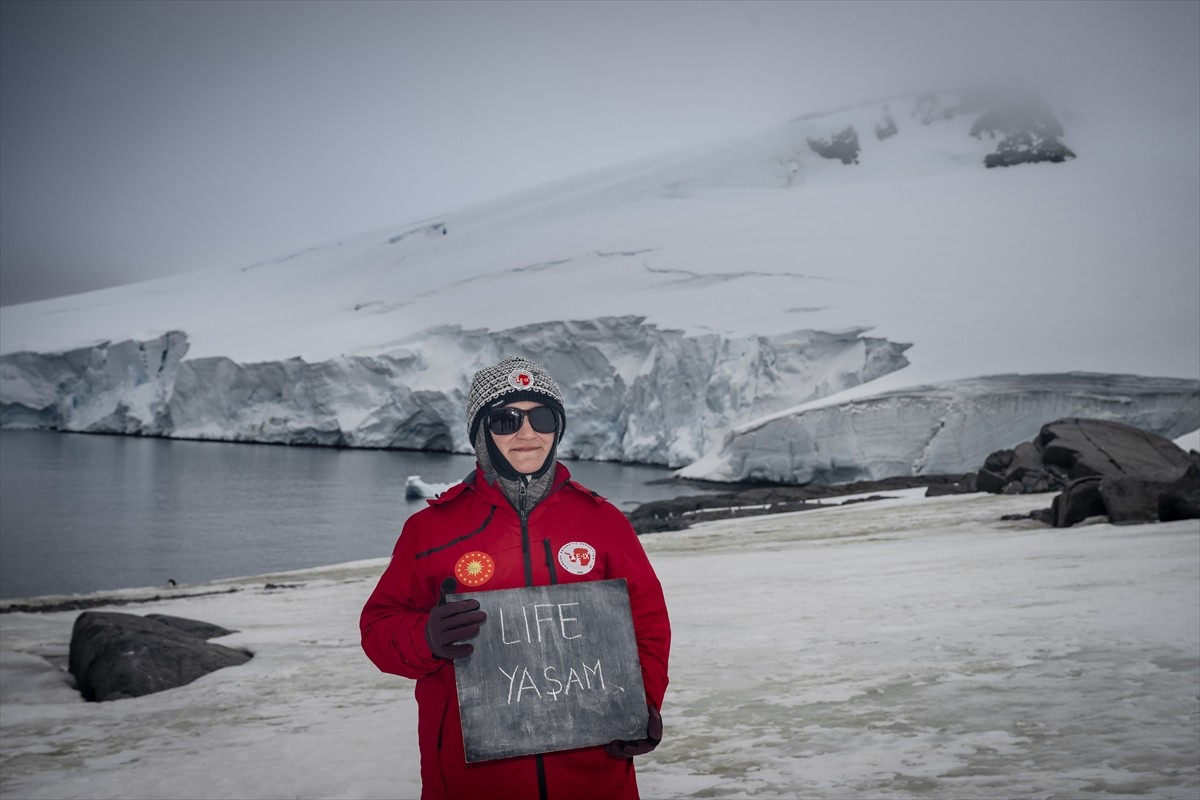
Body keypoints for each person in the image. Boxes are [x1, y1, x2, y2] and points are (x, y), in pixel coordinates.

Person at [361, 355, 671, 800]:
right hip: (473, 783)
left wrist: (644, 703)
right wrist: (424, 636)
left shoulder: (602, 522)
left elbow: (648, 625)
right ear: (482, 433)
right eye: (506, 420)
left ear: (557, 428)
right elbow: (377, 628)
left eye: (541, 417)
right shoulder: (430, 530)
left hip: (594, 777)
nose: (527, 434)